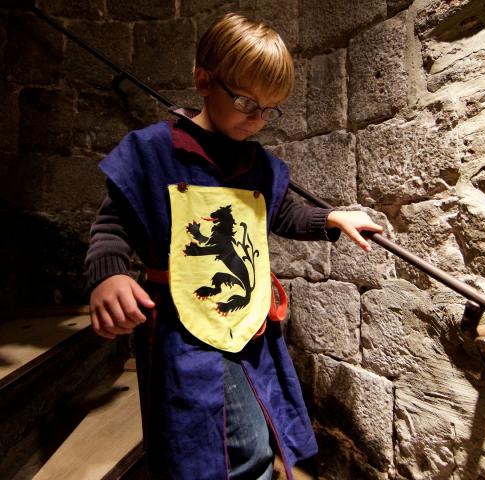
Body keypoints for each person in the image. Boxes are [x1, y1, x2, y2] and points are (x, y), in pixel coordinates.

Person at [84, 12, 383, 480]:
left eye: (269, 109)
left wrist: (331, 218)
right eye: (246, 102)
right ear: (204, 80)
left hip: (248, 323)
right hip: (183, 329)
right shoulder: (152, 151)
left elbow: (280, 214)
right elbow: (112, 226)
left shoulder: (258, 165)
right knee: (216, 441)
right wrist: (110, 274)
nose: (258, 119)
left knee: (258, 428)